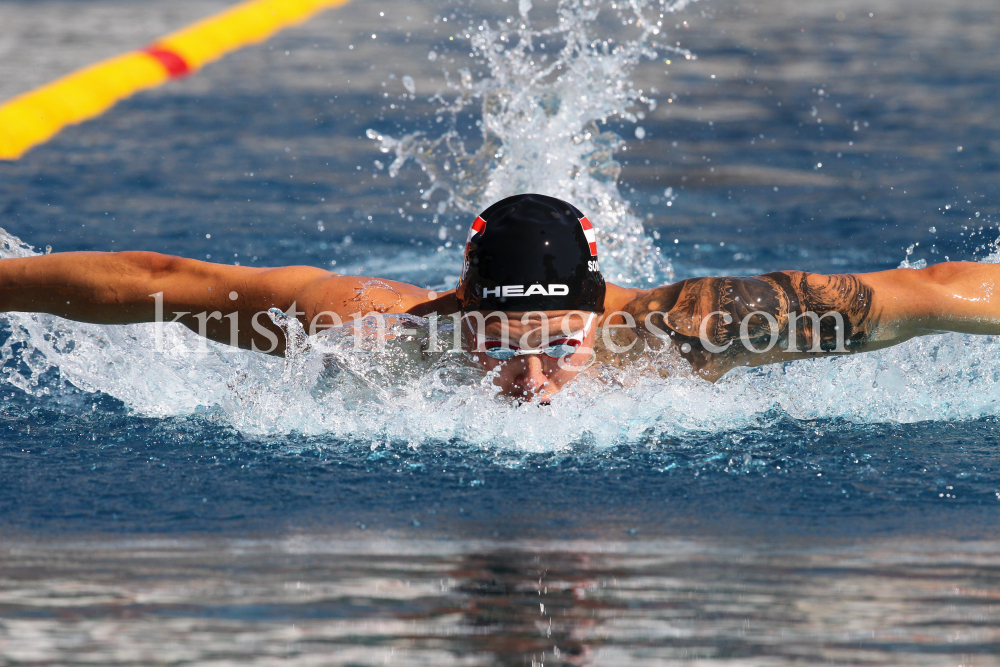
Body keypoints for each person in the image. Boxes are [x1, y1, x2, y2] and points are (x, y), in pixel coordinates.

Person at [1, 192, 999, 403]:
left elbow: (932, 292)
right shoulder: (375, 332)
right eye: (496, 344)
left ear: (601, 309)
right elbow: (162, 284)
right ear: (460, 309)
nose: (527, 376)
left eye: (558, 343)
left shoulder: (698, 327)